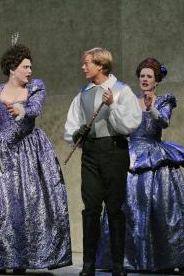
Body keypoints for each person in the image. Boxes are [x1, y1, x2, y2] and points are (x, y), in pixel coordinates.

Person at [0, 44, 72, 272]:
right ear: (12, 68)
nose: (29, 71)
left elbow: (35, 109)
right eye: (25, 66)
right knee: (0, 207)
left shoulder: (35, 88)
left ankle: (22, 260)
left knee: (27, 206)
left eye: (30, 66)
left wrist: (22, 109)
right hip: (0, 153)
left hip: (29, 152)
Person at [96, 58, 184, 272]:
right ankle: (123, 258)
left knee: (160, 206)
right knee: (126, 205)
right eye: (142, 76)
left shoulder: (164, 100)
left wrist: (151, 109)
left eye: (149, 76)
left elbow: (164, 122)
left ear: (156, 81)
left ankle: (163, 259)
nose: (145, 79)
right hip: (130, 155)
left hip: (153, 153)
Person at [64, 47, 141, 276]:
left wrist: (112, 106)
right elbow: (71, 126)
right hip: (91, 154)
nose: (83, 67)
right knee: (91, 209)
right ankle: (88, 265)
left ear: (100, 65)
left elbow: (129, 124)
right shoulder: (83, 94)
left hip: (115, 151)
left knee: (115, 209)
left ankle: (117, 265)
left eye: (87, 63)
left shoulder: (121, 91)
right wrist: (78, 133)